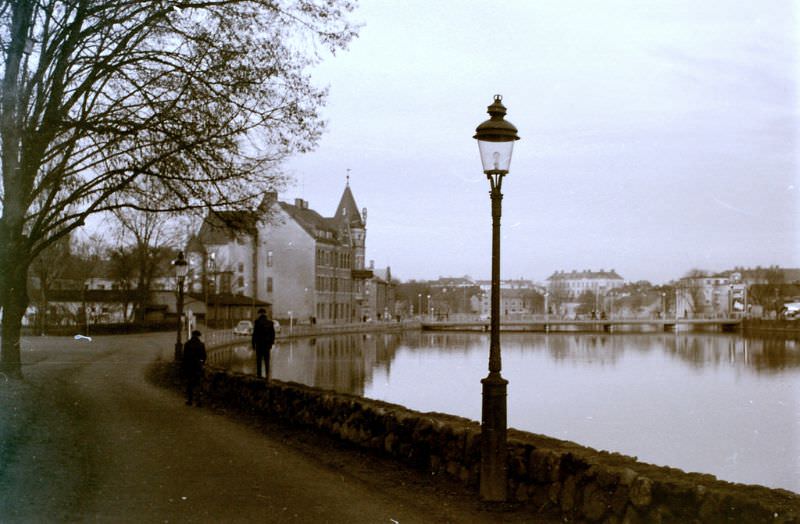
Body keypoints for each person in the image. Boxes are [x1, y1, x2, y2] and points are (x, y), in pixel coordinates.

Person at [182, 330, 206, 406]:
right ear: (198, 336)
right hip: (197, 367)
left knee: (189, 384)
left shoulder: (187, 344)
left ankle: (190, 400)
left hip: (189, 366)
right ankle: (199, 401)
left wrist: (184, 367)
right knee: (198, 384)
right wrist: (201, 363)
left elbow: (184, 357)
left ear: (192, 335)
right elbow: (204, 356)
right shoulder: (201, 345)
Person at [252, 308, 275, 379]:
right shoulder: (270, 323)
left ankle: (259, 376)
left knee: (259, 361)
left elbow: (254, 334)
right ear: (265, 314)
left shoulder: (257, 322)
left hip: (259, 344)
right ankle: (267, 375)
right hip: (267, 345)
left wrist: (253, 344)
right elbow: (273, 335)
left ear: (259, 314)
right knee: (267, 361)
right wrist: (271, 344)